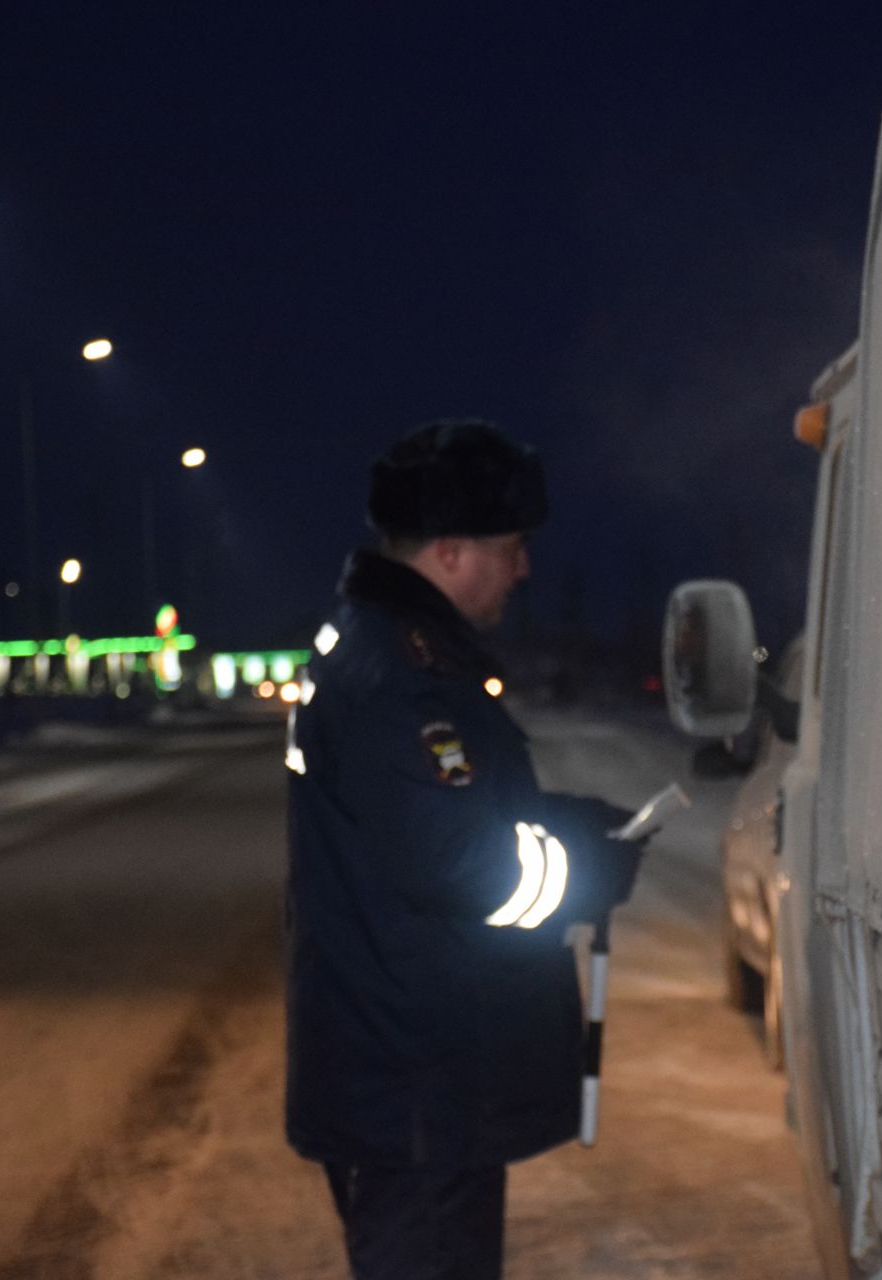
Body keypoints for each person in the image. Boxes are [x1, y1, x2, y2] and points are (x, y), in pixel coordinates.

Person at [284, 419, 644, 1279]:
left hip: (414, 1078)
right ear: (450, 550)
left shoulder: (391, 654)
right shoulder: (400, 676)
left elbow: (442, 821)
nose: (524, 569)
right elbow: (461, 863)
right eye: (511, 546)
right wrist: (588, 862)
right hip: (419, 1087)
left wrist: (569, 817)